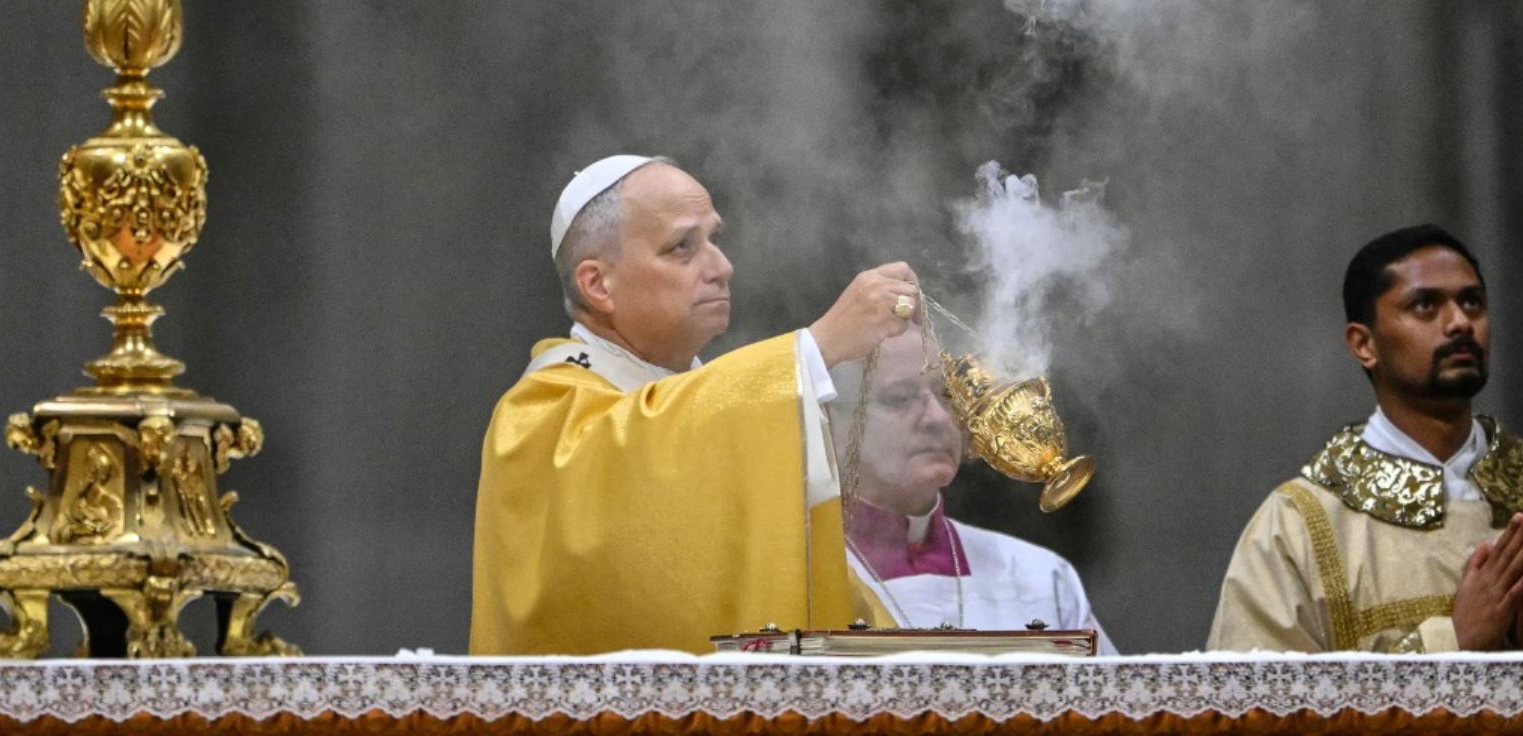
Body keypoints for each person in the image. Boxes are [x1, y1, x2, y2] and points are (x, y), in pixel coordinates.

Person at [470, 154, 919, 654]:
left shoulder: (717, 406)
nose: (722, 268)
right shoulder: (538, 416)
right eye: (682, 247)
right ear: (598, 284)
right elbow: (636, 482)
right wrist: (815, 348)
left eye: (715, 240)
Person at [1208, 224, 1523, 653]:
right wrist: (1451, 642)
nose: (1460, 322)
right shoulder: (1298, 529)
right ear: (1364, 343)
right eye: (1425, 305)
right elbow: (1250, 717)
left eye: (1472, 302)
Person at [829, 329, 1118, 651]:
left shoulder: (1041, 577)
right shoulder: (802, 582)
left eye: (948, 396)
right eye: (900, 398)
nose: (938, 418)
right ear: (835, 427)